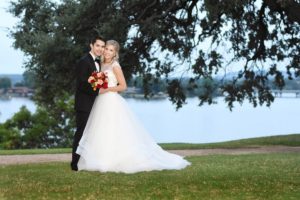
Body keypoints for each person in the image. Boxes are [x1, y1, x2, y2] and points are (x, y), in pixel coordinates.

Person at [76, 40, 190, 173]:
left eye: (111, 50)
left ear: (115, 53)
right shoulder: (99, 64)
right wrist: (97, 85)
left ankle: (116, 159)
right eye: (106, 48)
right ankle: (100, 158)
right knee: (101, 129)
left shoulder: (115, 66)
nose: (107, 51)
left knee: (114, 129)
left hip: (111, 100)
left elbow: (123, 86)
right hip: (100, 101)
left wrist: (106, 89)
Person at [71, 36, 106, 171]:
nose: (100, 49)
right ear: (91, 45)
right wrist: (98, 90)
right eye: (98, 45)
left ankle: (87, 161)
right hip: (84, 104)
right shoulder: (83, 61)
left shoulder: (98, 63)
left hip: (95, 104)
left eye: (102, 46)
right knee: (81, 133)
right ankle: (75, 163)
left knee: (92, 134)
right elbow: (82, 84)